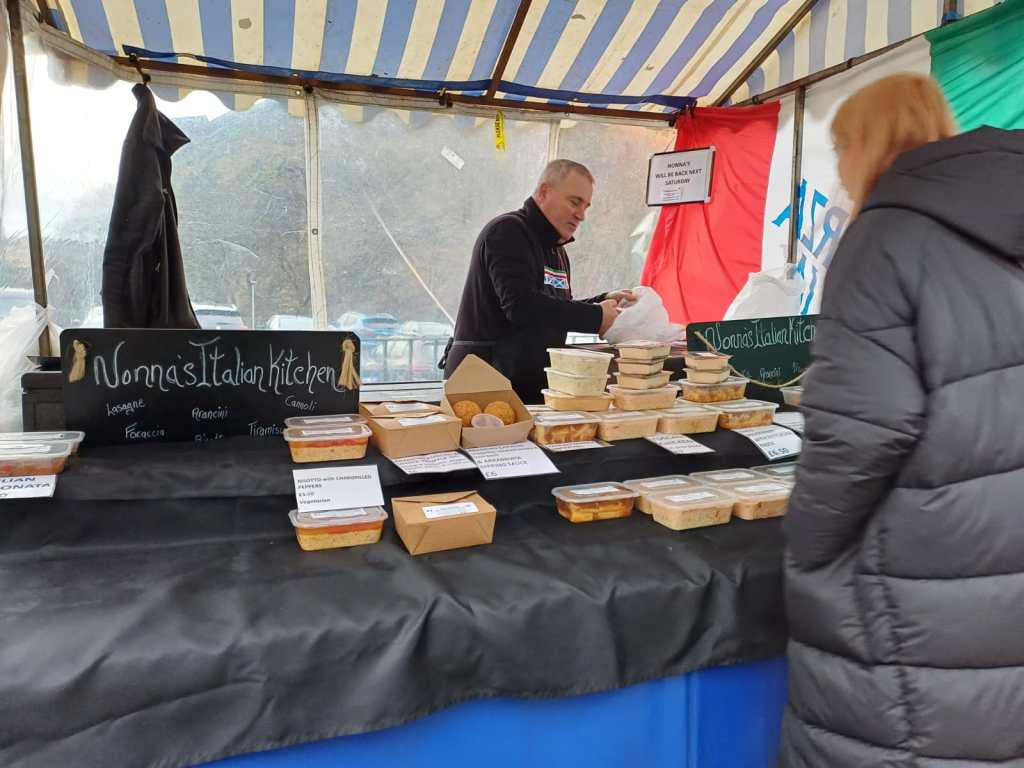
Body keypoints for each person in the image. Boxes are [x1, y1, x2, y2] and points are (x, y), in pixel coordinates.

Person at [780, 73, 1024, 766]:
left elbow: (857, 431)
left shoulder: (883, 236)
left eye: (841, 149)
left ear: (866, 144)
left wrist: (807, 546)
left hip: (917, 573)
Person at [442, 159, 634, 402]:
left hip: (529, 386)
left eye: (586, 206)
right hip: (486, 382)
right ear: (544, 192)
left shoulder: (557, 250)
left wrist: (602, 301)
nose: (581, 215)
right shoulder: (508, 231)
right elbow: (521, 306)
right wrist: (596, 317)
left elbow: (553, 308)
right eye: (574, 202)